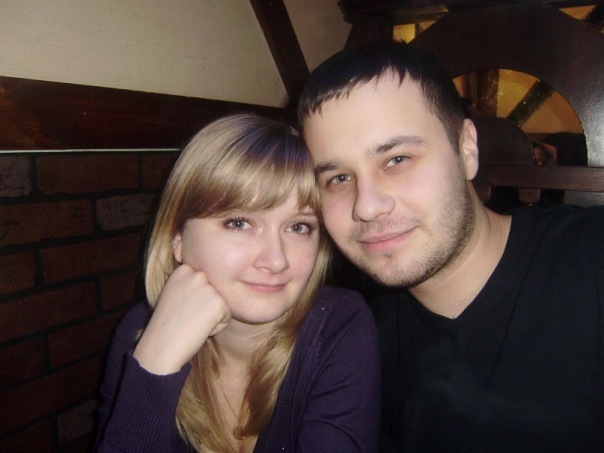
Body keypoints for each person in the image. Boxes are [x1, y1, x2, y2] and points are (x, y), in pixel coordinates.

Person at [297, 41, 604, 451]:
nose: (366, 206)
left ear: (466, 149)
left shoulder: (591, 258)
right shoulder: (359, 343)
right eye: (337, 178)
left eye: (397, 160)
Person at [95, 113, 380, 452]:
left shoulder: (338, 325)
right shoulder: (138, 332)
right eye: (240, 223)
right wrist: (154, 367)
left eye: (298, 227)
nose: (276, 260)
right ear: (178, 238)